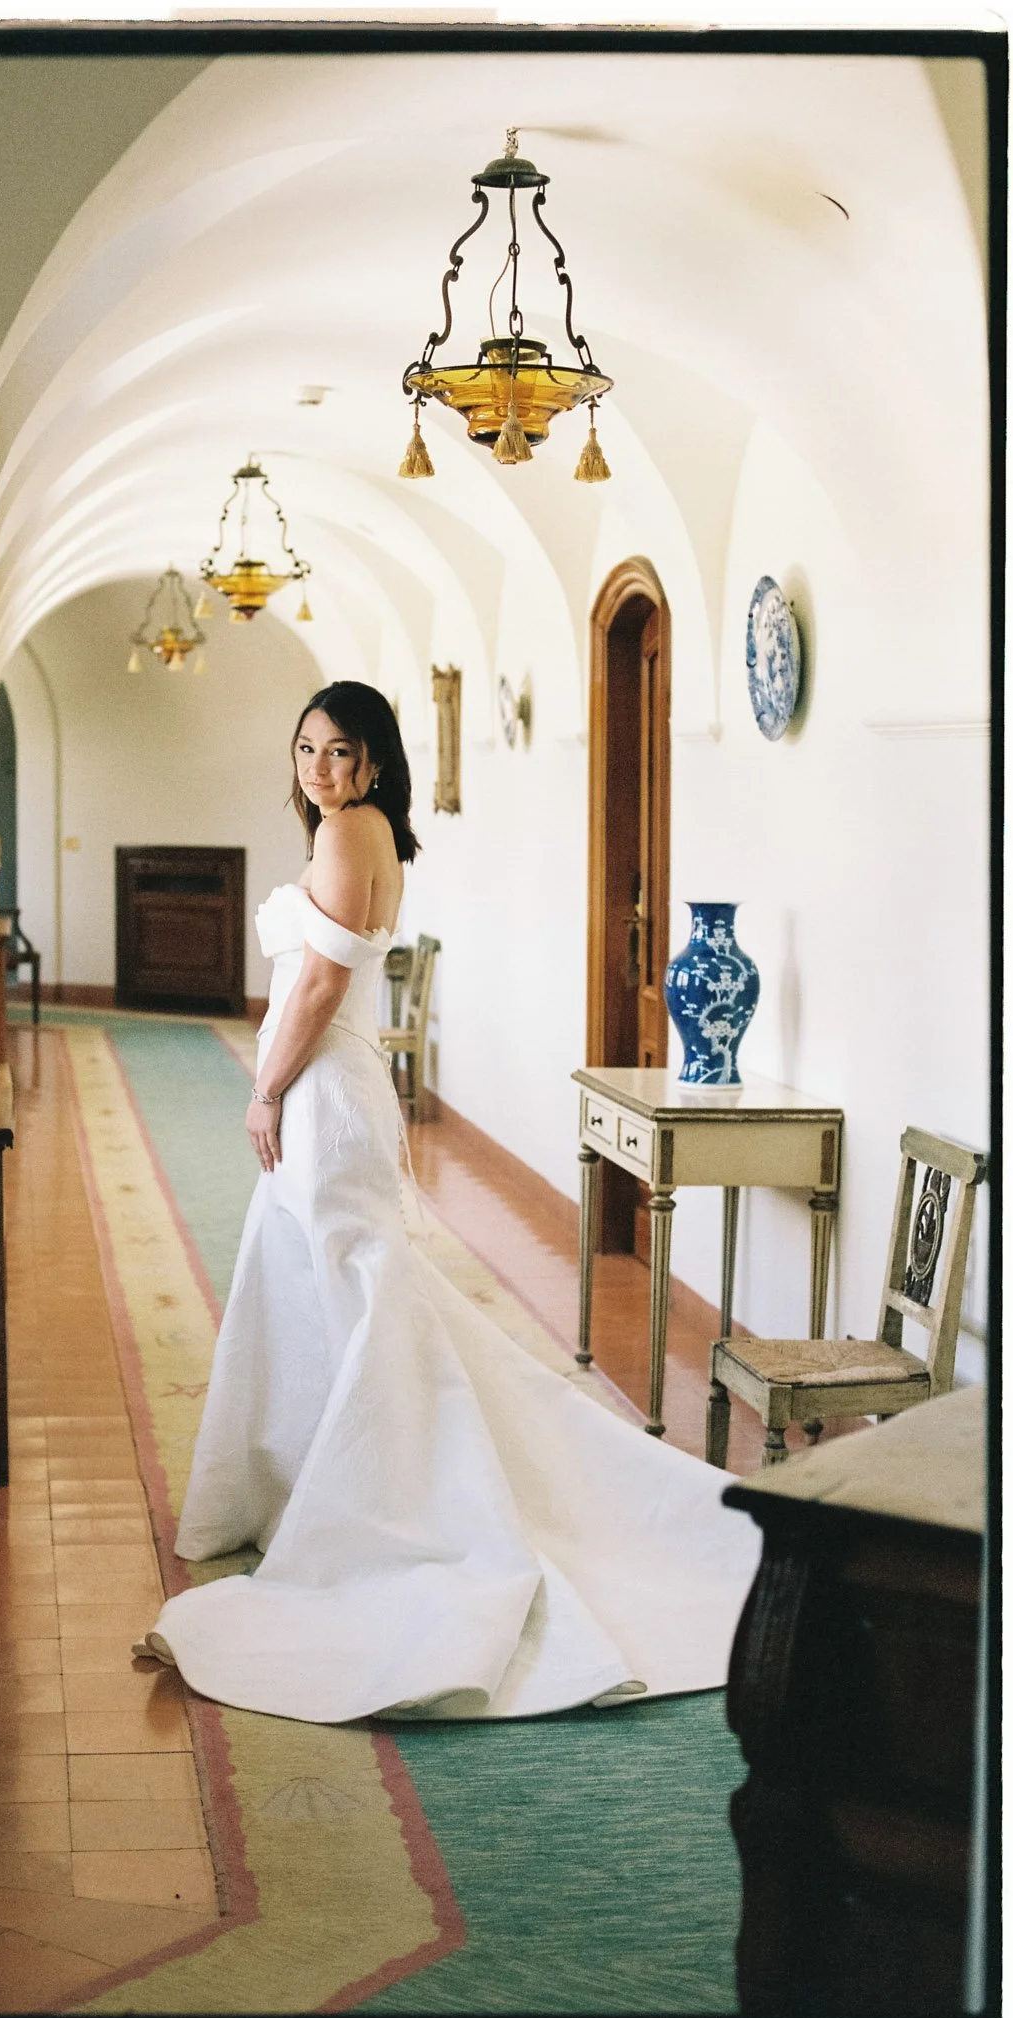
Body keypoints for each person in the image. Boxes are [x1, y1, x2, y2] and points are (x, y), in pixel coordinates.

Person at [138, 681, 761, 1723]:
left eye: (340, 751)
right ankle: (314, 1485)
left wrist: (261, 1089)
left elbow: (322, 988)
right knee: (319, 1290)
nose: (319, 768)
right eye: (305, 748)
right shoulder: (363, 828)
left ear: (373, 762)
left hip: (321, 1094)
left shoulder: (347, 831)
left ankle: (388, 1502)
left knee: (355, 1297)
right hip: (330, 1087)